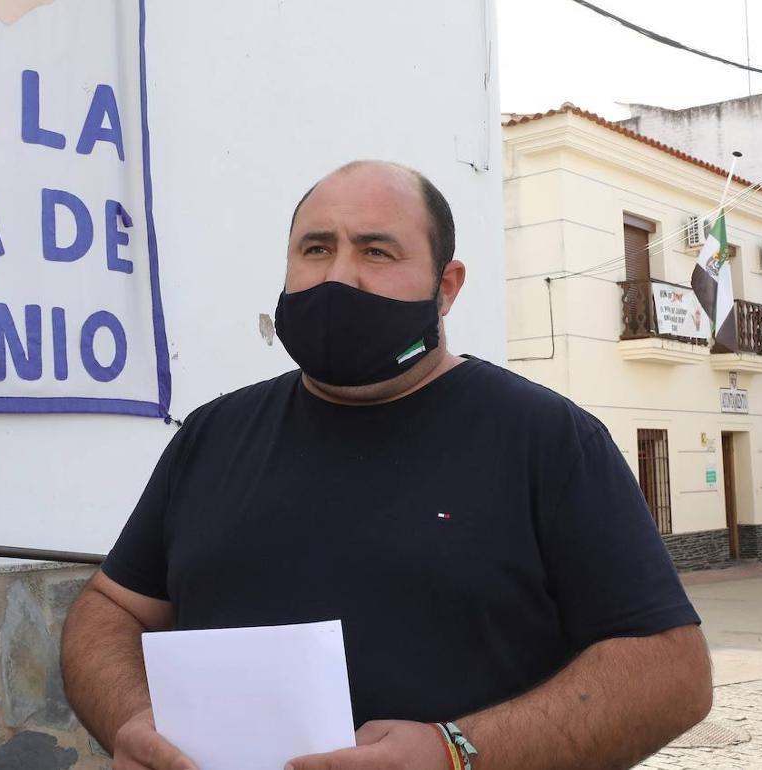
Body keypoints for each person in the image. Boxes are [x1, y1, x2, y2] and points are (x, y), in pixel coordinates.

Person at [60, 160, 712, 770]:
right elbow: (111, 608)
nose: (339, 276)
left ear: (446, 286)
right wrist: (131, 717)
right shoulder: (212, 435)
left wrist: (456, 751)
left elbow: (672, 674)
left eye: (376, 251)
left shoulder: (548, 440)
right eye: (316, 249)